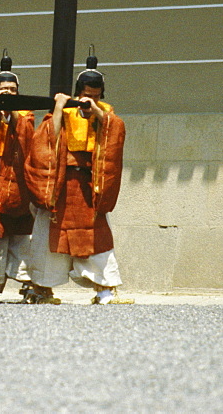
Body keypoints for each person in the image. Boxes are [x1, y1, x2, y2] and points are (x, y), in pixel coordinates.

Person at [24, 50, 132, 305]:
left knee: (95, 236)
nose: (90, 100)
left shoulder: (105, 114)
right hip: (61, 185)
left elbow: (115, 132)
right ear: (78, 92)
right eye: (86, 95)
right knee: (49, 236)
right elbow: (47, 138)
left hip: (88, 186)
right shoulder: (66, 109)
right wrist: (60, 107)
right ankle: (42, 289)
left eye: (95, 96)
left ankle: (104, 290)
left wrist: (96, 112)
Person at [0, 52, 36, 302]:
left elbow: (26, 135)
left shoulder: (25, 113)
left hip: (18, 184)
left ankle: (27, 285)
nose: (8, 93)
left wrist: (12, 111)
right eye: (4, 89)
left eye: (13, 90)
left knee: (21, 237)